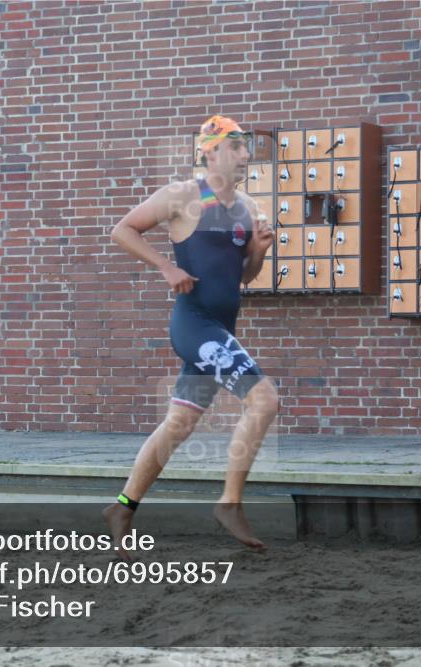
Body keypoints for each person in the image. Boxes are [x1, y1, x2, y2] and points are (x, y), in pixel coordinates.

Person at [103, 115, 279, 557]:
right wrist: (166, 266)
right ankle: (229, 504)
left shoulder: (248, 207)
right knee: (264, 400)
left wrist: (258, 252)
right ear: (210, 151)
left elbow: (243, 279)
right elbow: (122, 230)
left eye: (246, 147)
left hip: (220, 328)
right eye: (236, 146)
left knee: (178, 424)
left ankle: (122, 507)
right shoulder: (182, 195)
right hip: (194, 324)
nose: (245, 155)